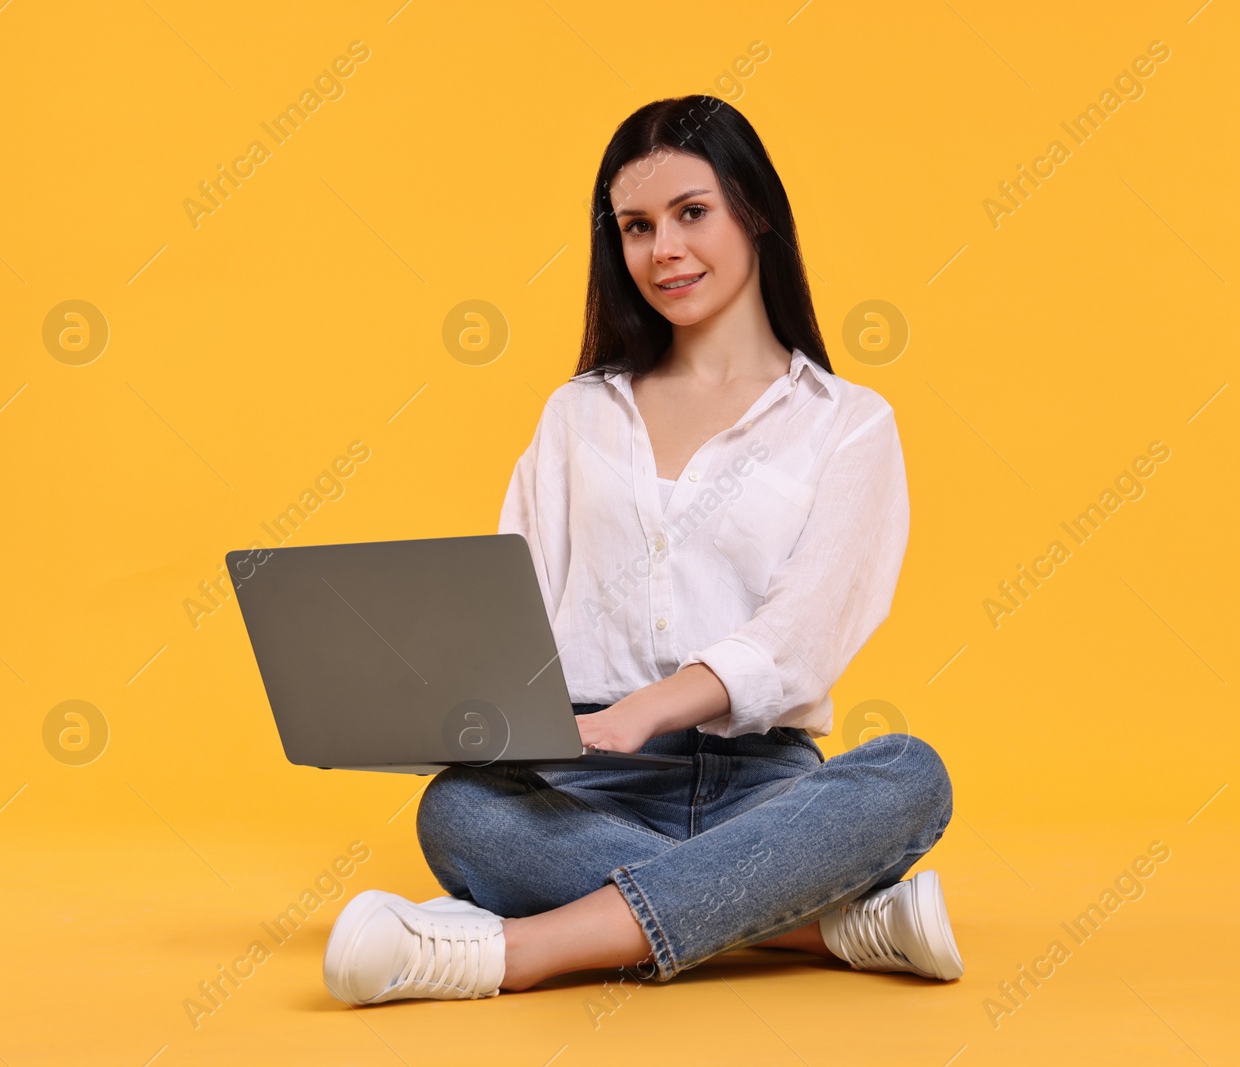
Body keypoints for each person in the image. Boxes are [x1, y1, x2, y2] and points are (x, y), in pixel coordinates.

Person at [322, 95, 962, 1004]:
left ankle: (514, 951)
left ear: (755, 212)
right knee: (460, 811)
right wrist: (439, 700)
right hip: (587, 780)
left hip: (764, 785)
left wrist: (647, 710)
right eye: (635, 226)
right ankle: (812, 921)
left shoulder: (847, 424)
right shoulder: (577, 414)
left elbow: (804, 633)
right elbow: (516, 599)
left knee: (908, 775)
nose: (663, 250)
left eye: (691, 213)